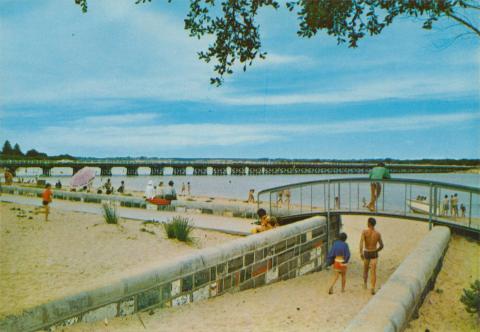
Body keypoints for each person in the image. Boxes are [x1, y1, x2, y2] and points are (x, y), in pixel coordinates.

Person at [359, 217, 384, 295]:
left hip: (367, 252)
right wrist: (376, 250)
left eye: (367, 222)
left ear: (369, 223)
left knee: (365, 270)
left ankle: (365, 284)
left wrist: (361, 253)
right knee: (373, 272)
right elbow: (381, 245)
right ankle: (372, 287)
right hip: (374, 253)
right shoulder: (378, 234)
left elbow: (361, 243)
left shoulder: (364, 232)